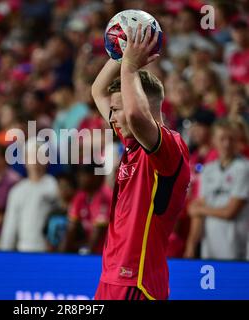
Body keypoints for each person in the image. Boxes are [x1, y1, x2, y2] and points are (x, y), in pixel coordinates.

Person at [91, 25, 190, 300]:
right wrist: (121, 51)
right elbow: (97, 91)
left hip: (138, 280)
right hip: (111, 275)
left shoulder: (169, 147)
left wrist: (131, 67)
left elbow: (135, 114)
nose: (111, 118)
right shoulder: (132, 143)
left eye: (116, 110)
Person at [187, 119, 249, 260]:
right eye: (222, 139)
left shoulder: (244, 169)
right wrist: (190, 245)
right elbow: (198, 212)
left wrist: (200, 209)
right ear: (214, 140)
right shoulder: (208, 170)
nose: (227, 144)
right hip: (209, 249)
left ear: (238, 141)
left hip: (237, 248)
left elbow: (230, 212)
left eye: (231, 139)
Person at [0, 138, 58, 252]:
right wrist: (4, 252)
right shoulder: (17, 190)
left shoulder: (54, 186)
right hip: (23, 250)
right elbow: (10, 225)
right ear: (25, 160)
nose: (35, 160)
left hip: (48, 251)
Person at [62, 164, 112, 254]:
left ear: (96, 177)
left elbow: (96, 237)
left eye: (83, 175)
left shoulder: (105, 196)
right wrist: (60, 256)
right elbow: (70, 230)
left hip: (105, 253)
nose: (79, 178)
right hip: (90, 249)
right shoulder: (80, 196)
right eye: (79, 175)